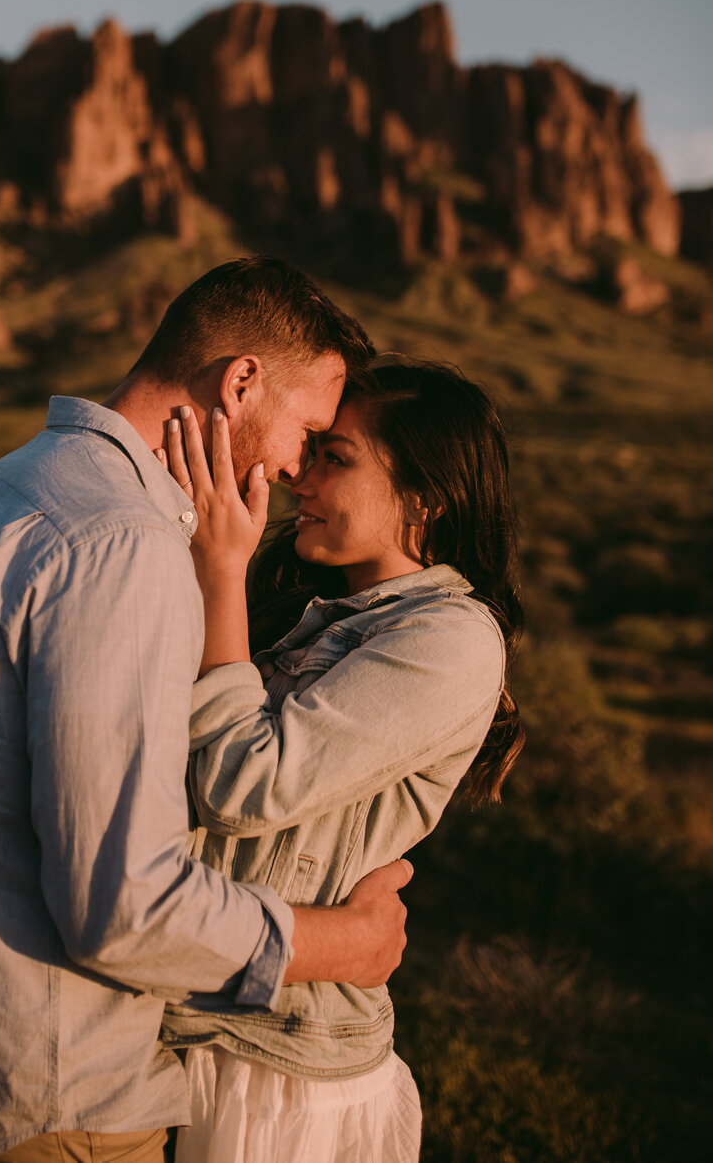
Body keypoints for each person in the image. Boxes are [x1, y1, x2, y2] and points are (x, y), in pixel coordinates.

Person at [0, 258, 416, 1163]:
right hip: (46, 1102)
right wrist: (344, 943)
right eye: (306, 430)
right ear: (239, 383)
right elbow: (121, 902)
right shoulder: (124, 543)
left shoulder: (9, 485)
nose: (299, 468)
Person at [157, 358, 524, 1163]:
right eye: (312, 451)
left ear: (425, 497)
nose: (303, 478)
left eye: (338, 459)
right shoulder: (323, 615)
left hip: (279, 1075)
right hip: (211, 1029)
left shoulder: (452, 640)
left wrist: (218, 568)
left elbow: (241, 782)